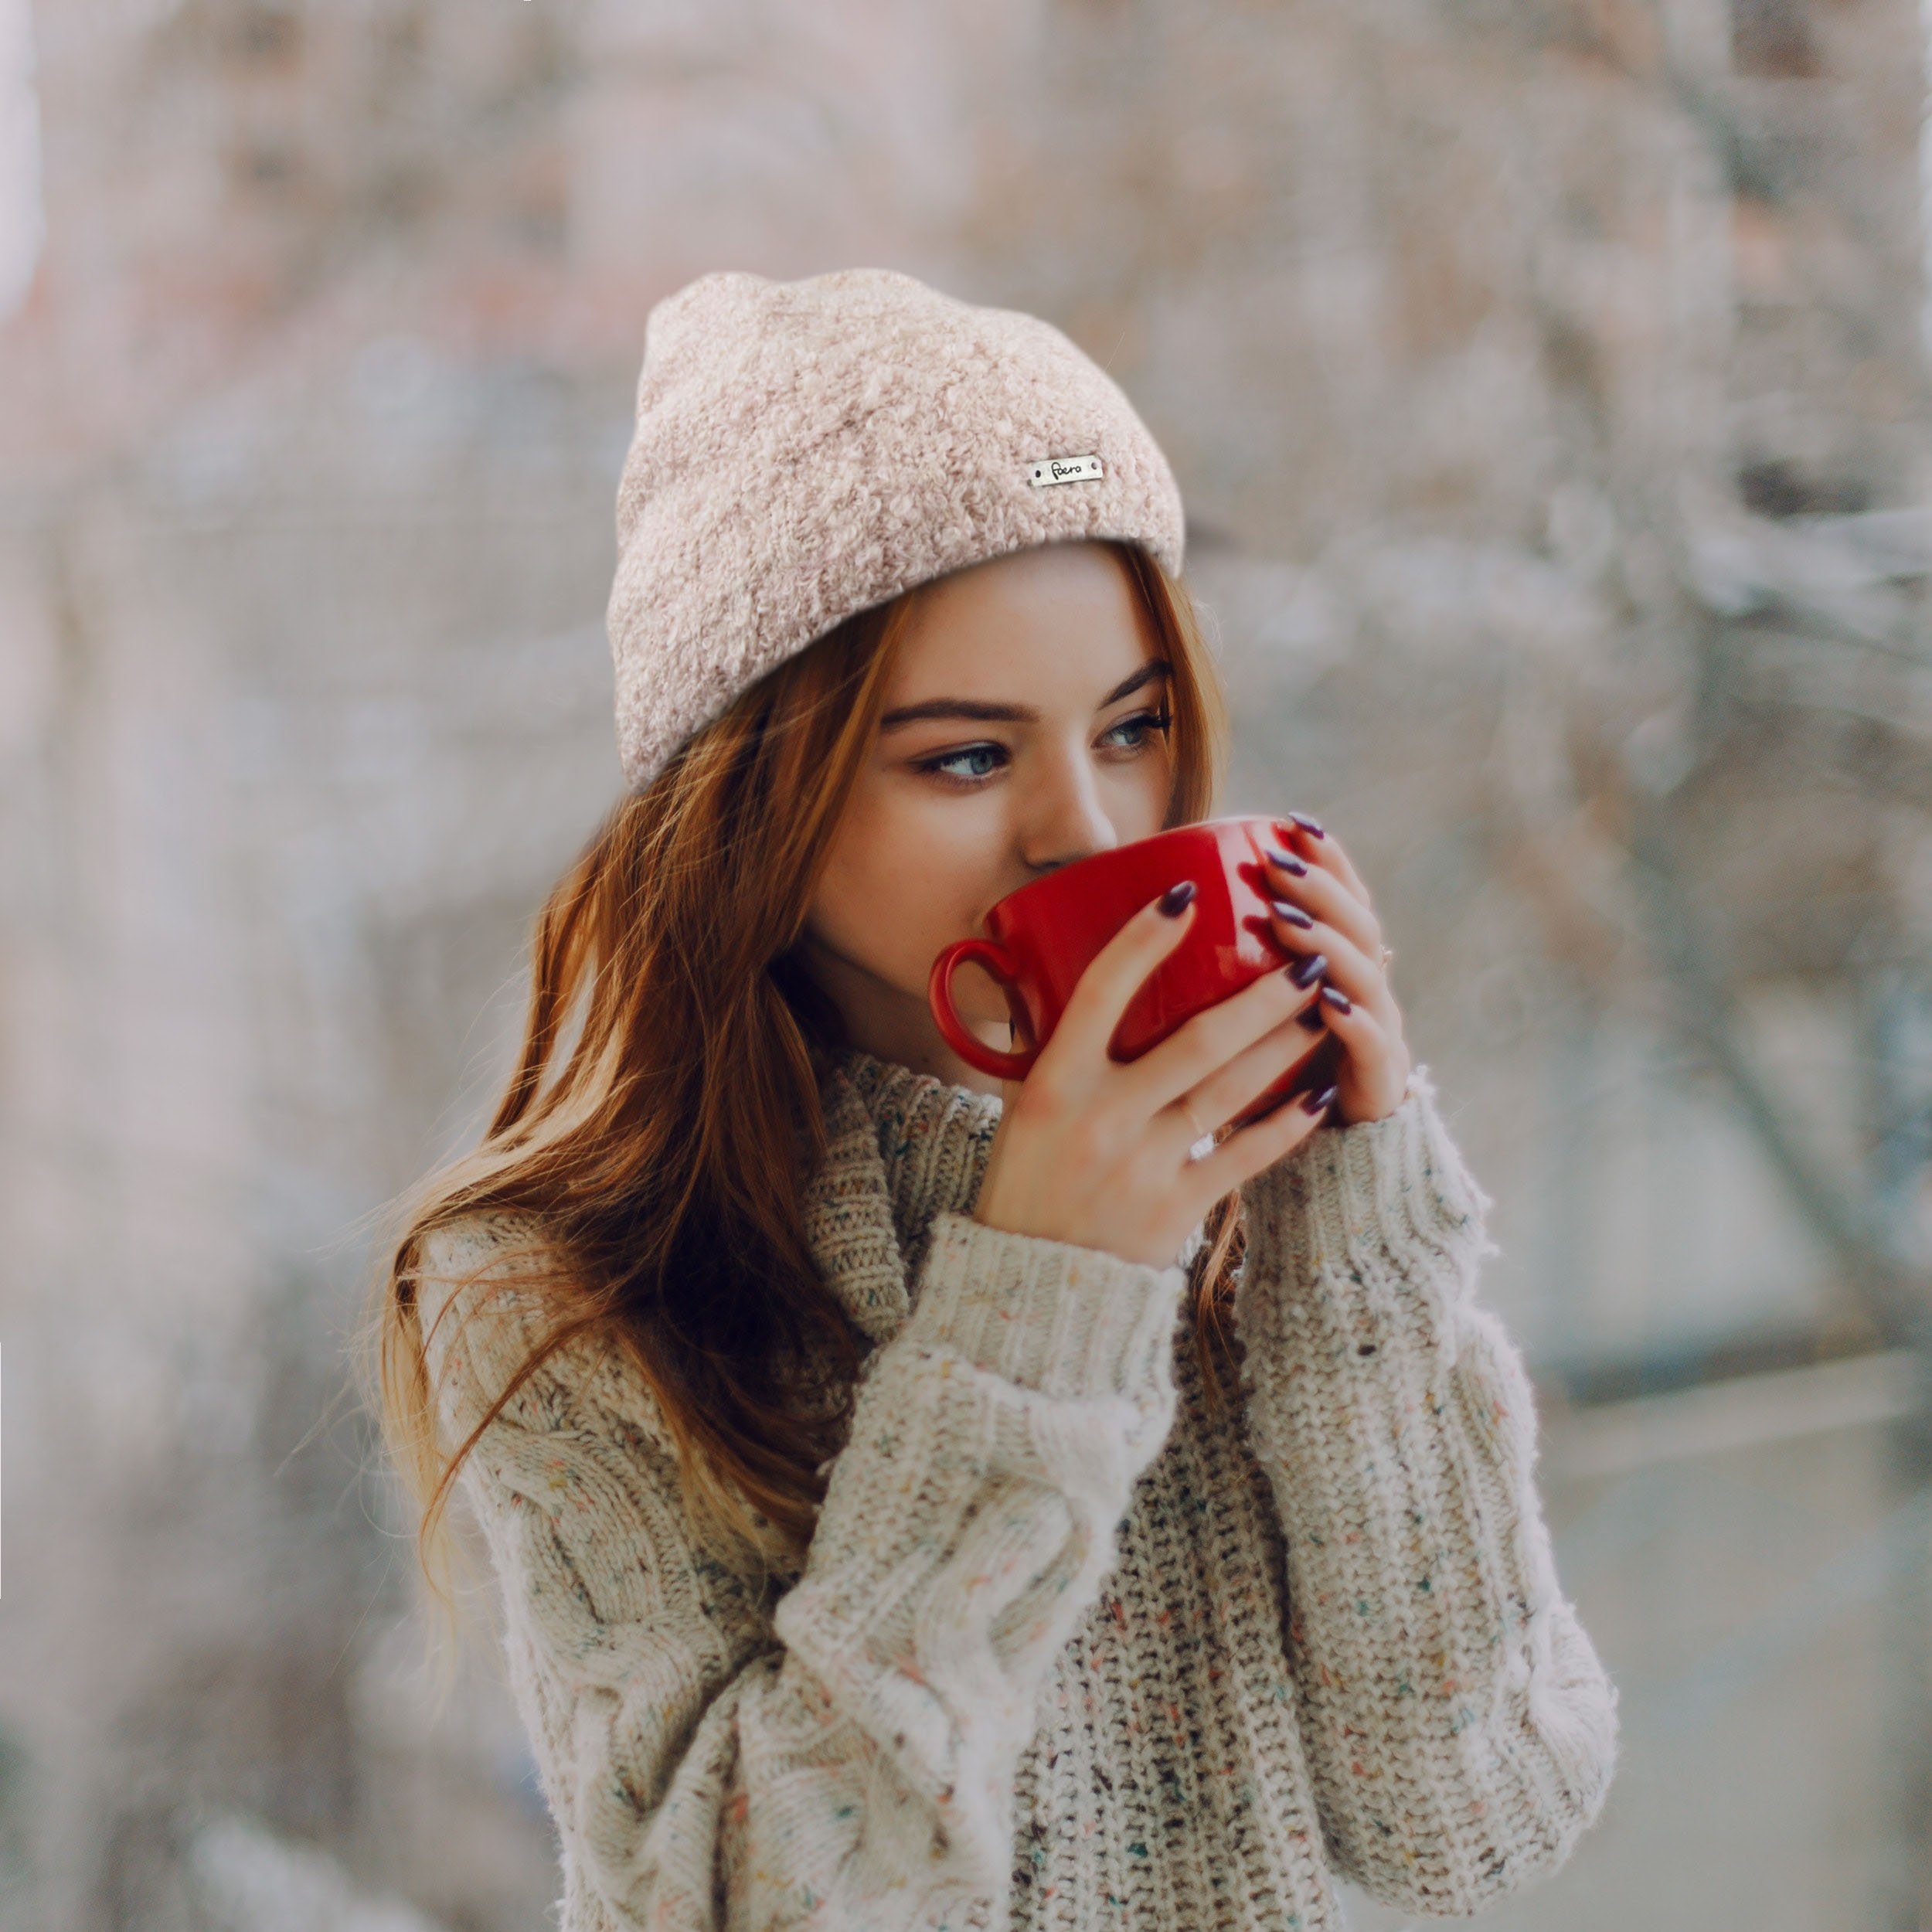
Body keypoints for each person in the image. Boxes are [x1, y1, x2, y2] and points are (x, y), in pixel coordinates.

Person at [363, 267, 1619, 1932]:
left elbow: (1474, 1817)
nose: (1090, 834)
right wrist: (1034, 1314)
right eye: (964, 755)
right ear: (755, 795)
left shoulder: (1249, 1197)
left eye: (1133, 727)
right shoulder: (559, 1281)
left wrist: (1353, 1224)